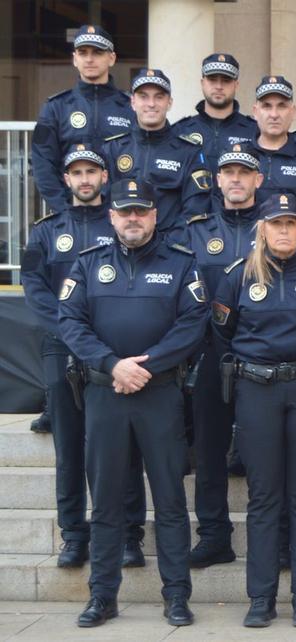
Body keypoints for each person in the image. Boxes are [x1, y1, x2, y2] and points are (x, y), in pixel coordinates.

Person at [58, 178, 208, 628]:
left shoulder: (181, 263)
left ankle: (176, 596)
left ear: (154, 215)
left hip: (159, 394)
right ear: (112, 217)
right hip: (105, 394)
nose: (133, 219)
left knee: (170, 500)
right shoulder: (88, 264)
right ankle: (102, 596)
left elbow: (193, 323)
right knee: (105, 502)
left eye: (141, 211)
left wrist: (145, 367)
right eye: (125, 212)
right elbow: (70, 321)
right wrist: (112, 365)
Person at [210, 193, 296, 628]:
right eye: (276, 224)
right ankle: (261, 597)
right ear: (262, 230)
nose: (284, 231)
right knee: (264, 497)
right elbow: (222, 334)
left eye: (291, 224)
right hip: (257, 391)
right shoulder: (237, 277)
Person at [20, 144, 147, 569]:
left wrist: (102, 344)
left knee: (122, 447)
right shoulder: (46, 231)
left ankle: (129, 535)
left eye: (92, 171)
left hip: (113, 352)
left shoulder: (121, 223)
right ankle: (74, 535)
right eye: (77, 172)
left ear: (104, 177)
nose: (85, 179)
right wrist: (73, 332)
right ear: (66, 179)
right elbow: (35, 289)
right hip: (62, 347)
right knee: (69, 446)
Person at [183, 143, 265, 568]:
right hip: (211, 354)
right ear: (217, 180)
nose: (235, 179)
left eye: (244, 172)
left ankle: (273, 537)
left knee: (265, 453)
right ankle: (214, 535)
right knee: (210, 450)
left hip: (261, 354)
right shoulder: (194, 231)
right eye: (228, 172)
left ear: (258, 180)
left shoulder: (275, 228)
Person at [32, 24, 133, 216]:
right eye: (83, 52)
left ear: (111, 58)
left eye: (97, 52)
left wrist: (127, 209)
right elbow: (42, 164)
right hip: (72, 214)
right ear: (74, 59)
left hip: (122, 216)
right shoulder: (56, 107)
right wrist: (64, 210)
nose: (89, 59)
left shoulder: (131, 107)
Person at [102, 69, 211, 241]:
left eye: (159, 97)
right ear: (133, 102)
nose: (151, 104)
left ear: (169, 103)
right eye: (143, 97)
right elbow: (102, 204)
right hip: (121, 247)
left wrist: (168, 246)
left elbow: (195, 210)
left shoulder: (189, 152)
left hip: (171, 248)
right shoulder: (113, 149)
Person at [250, 75, 296, 242]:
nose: (274, 114)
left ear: (293, 112)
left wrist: (288, 245)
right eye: (267, 106)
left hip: (293, 250)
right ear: (255, 112)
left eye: (282, 106)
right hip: (245, 251)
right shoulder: (241, 157)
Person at [174, 53, 260, 180]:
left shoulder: (255, 131)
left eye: (226, 80)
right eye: (212, 79)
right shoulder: (181, 131)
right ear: (202, 83)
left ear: (236, 85)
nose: (219, 86)